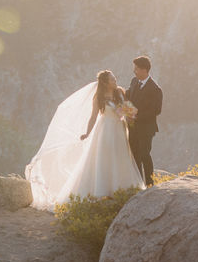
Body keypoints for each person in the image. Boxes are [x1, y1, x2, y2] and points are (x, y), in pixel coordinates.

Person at [25, 70, 145, 210]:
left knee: (119, 157)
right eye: (112, 79)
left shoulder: (119, 92)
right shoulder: (98, 98)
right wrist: (87, 133)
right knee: (103, 158)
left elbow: (128, 113)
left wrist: (130, 117)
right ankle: (103, 190)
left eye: (115, 78)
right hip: (105, 131)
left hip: (119, 130)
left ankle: (120, 188)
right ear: (105, 82)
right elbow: (93, 117)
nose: (115, 81)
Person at [125, 55, 162, 187]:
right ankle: (139, 183)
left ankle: (150, 183)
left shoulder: (155, 89)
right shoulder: (134, 81)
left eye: (136, 69)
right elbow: (128, 97)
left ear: (144, 70)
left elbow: (156, 110)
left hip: (146, 128)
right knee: (134, 156)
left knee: (144, 154)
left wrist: (136, 116)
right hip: (133, 127)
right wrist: (127, 113)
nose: (134, 71)